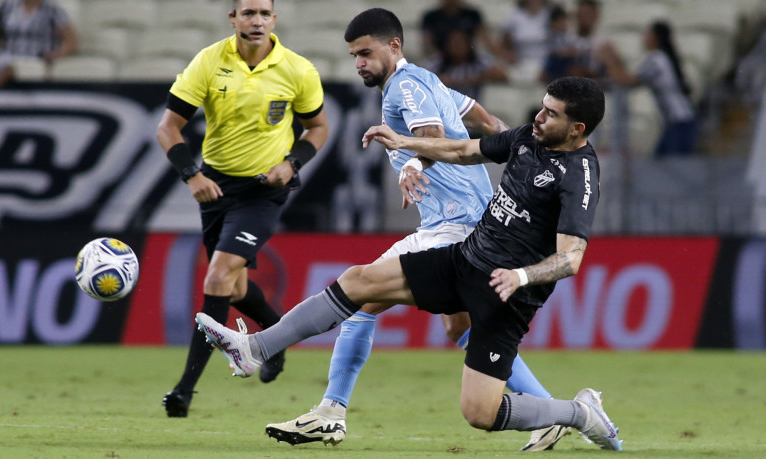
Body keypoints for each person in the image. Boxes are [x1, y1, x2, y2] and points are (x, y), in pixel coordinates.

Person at [196, 57, 621, 459]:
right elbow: (461, 150)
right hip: (463, 261)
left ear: (576, 128)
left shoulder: (578, 177)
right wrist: (406, 145)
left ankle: (577, 413)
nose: (539, 117)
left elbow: (571, 259)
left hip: (503, 295)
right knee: (360, 281)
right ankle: (256, 348)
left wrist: (521, 278)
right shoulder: (528, 137)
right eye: (541, 108)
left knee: (480, 414)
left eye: (551, 114)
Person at [262, 8, 564, 452]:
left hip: (457, 224)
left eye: (365, 53)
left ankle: (330, 411)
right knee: (457, 327)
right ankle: (550, 412)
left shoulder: (404, 86)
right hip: (475, 221)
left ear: (394, 46)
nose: (359, 63)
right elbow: (478, 114)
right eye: (353, 56)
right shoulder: (428, 80)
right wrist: (509, 143)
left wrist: (415, 163)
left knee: (361, 298)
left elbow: (432, 133)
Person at [155, 0, 328, 418]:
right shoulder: (209, 61)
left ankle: (184, 391)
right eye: (247, 13)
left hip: (263, 192)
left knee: (217, 275)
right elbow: (168, 127)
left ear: (274, 19)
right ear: (232, 19)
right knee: (232, 288)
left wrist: (292, 164)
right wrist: (192, 176)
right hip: (216, 187)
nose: (256, 21)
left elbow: (318, 127)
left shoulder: (297, 69)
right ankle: (277, 341)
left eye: (263, 13)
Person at [599, 20, 698, 156]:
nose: (644, 38)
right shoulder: (661, 58)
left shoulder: (656, 59)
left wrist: (609, 60)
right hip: (677, 122)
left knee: (667, 166)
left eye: (647, 34)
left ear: (655, 38)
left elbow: (626, 80)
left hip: (678, 123)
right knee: (662, 164)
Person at [425, 29, 509, 104]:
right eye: (454, 43)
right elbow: (423, 79)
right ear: (447, 46)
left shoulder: (478, 62)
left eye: (461, 43)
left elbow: (503, 75)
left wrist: (472, 80)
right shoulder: (437, 63)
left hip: (474, 110)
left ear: (468, 45)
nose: (458, 47)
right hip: (445, 109)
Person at [0, 0, 77, 62]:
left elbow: (71, 40)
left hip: (39, 62)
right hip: (8, 60)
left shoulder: (53, 9)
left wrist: (57, 54)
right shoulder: (8, 6)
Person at [420, 0, 501, 62]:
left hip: (470, 59)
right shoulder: (431, 18)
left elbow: (486, 40)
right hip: (442, 60)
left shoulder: (472, 15)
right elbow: (428, 45)